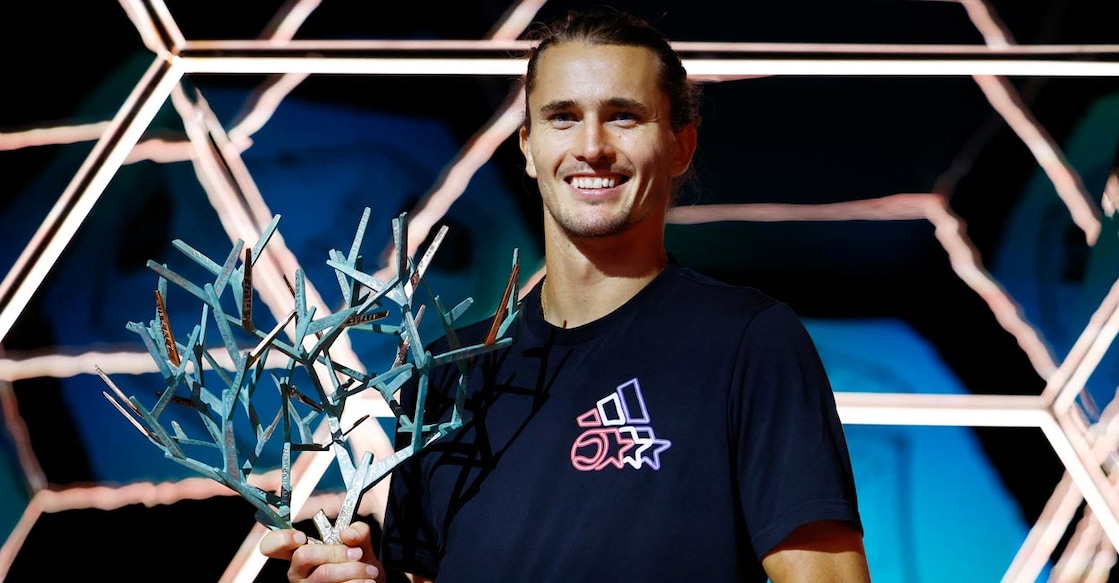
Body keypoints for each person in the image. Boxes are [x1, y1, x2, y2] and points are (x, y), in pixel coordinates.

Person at [261, 7, 870, 582]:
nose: (592, 146)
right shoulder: (444, 376)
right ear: (528, 146)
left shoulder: (747, 342)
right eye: (563, 116)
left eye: (624, 115)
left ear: (681, 144)